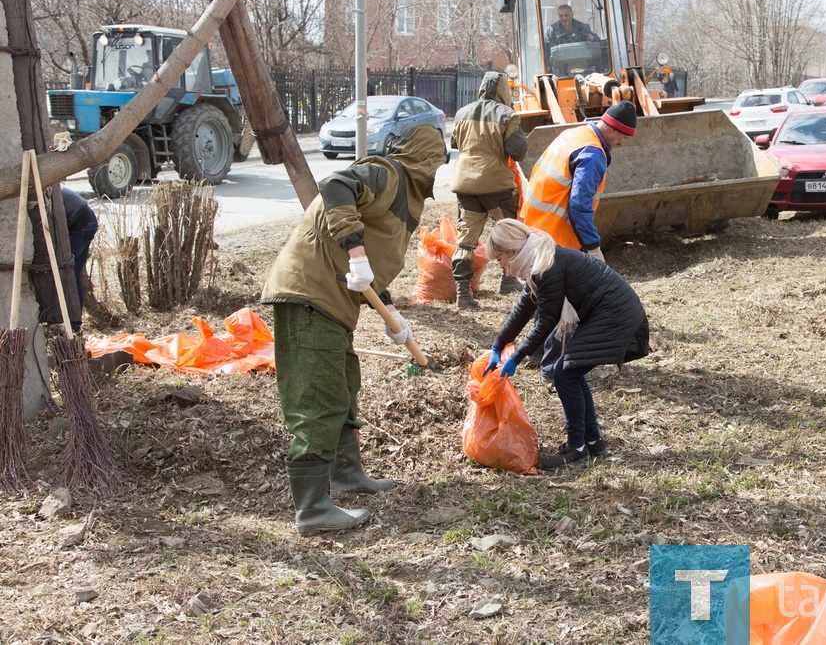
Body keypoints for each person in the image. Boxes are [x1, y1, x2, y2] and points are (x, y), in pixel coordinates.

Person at [261, 125, 447, 536]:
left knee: (344, 384)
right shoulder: (387, 172)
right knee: (318, 395)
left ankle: (347, 474)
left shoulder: (405, 194)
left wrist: (392, 315)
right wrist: (356, 252)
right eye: (438, 161)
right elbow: (336, 185)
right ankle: (311, 508)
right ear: (427, 158)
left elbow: (374, 266)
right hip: (309, 293)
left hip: (332, 302)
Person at [483, 219, 649, 470]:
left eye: (499, 260)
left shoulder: (544, 266)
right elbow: (525, 307)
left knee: (566, 374)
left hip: (614, 314)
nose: (503, 268)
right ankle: (593, 444)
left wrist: (516, 356)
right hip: (610, 312)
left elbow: (545, 321)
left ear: (511, 251)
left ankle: (576, 449)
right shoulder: (538, 259)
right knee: (571, 373)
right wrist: (498, 344)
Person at [520, 99, 637, 260]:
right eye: (623, 137)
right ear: (612, 129)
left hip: (533, 225)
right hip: (553, 238)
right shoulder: (592, 155)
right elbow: (579, 206)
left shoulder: (574, 134)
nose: (622, 143)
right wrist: (593, 246)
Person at [450, 70, 528, 308]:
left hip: (465, 184)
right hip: (496, 186)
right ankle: (508, 279)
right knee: (511, 231)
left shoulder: (462, 112)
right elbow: (518, 151)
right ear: (504, 91)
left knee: (466, 239)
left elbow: (455, 143)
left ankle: (463, 294)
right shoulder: (508, 115)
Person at [62, 187, 98, 334]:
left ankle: (74, 323)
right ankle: (74, 321)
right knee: (73, 273)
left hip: (83, 226)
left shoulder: (49, 194)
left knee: (69, 272)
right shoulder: (53, 189)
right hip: (87, 222)